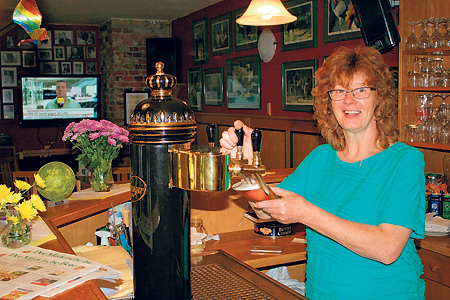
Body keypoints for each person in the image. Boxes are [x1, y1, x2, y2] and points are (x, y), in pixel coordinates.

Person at [220, 46, 425, 300]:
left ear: (379, 97)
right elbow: (264, 209)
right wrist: (246, 167)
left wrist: (307, 213)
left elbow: (387, 248)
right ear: (328, 102)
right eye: (339, 91)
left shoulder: (405, 160)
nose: (349, 101)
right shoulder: (320, 158)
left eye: (361, 90)